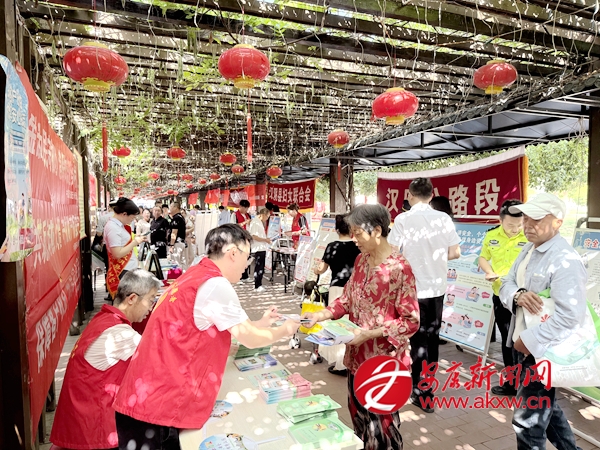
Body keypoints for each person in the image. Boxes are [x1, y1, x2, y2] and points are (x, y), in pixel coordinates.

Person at [112, 224, 300, 449]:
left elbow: (227, 326)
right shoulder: (215, 284)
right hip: (157, 408)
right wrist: (285, 330)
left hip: (148, 397)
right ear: (233, 253)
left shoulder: (197, 273)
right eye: (247, 257)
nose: (247, 264)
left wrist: (261, 324)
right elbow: (249, 338)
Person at [302, 204, 419, 450]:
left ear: (377, 231)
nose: (354, 239)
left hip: (382, 364)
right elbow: (347, 299)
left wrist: (370, 334)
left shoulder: (399, 268)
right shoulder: (361, 259)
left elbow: (411, 321)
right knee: (360, 421)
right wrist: (320, 315)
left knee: (382, 430)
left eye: (358, 233)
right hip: (356, 358)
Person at [499, 193, 587, 450]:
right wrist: (517, 295)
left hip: (543, 351)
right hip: (524, 346)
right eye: (526, 218)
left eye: (536, 219)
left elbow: (570, 316)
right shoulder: (529, 249)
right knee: (547, 410)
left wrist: (529, 341)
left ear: (558, 222)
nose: (527, 225)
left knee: (528, 421)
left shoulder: (565, 260)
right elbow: (506, 283)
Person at [49, 270, 160, 450]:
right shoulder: (120, 335)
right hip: (93, 430)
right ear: (132, 298)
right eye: (151, 299)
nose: (151, 307)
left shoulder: (104, 319)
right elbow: (161, 361)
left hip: (80, 422)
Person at [388, 178, 461, 413]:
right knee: (432, 339)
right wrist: (434, 257)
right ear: (431, 196)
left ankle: (419, 390)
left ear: (409, 195)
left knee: (416, 340)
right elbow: (455, 252)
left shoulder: (402, 219)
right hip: (437, 289)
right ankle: (426, 389)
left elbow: (392, 254)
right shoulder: (444, 219)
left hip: (412, 290)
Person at [478, 199, 528, 396]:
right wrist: (489, 271)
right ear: (500, 221)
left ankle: (528, 383)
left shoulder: (529, 236)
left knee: (523, 339)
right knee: (507, 339)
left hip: (523, 297)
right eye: (510, 225)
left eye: (519, 225)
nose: (515, 229)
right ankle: (512, 383)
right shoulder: (491, 236)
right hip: (500, 294)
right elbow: (483, 257)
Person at [313, 213, 361, 375]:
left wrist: (315, 269)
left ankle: (340, 363)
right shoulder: (358, 246)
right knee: (352, 325)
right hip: (354, 289)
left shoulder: (332, 246)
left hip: (336, 289)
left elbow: (321, 269)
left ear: (336, 229)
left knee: (337, 326)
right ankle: (351, 361)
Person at [104, 198, 148, 299]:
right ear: (124, 214)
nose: (132, 220)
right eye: (132, 218)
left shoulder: (119, 226)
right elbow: (117, 253)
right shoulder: (113, 228)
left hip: (127, 269)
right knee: (125, 302)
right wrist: (135, 242)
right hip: (123, 271)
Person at [249, 208, 271, 292]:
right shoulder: (255, 222)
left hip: (261, 247)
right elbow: (254, 236)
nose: (267, 219)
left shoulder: (259, 222)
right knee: (259, 267)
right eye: (267, 216)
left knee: (260, 267)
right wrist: (265, 240)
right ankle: (257, 285)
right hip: (258, 248)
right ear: (263, 215)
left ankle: (259, 284)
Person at [231, 200, 252, 281]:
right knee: (239, 257)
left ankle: (245, 276)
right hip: (238, 238)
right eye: (245, 208)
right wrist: (244, 222)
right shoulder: (234, 215)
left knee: (246, 257)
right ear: (241, 207)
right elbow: (233, 226)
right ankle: (238, 276)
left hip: (247, 238)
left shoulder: (248, 215)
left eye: (247, 208)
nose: (246, 210)